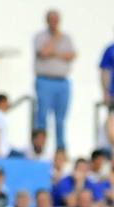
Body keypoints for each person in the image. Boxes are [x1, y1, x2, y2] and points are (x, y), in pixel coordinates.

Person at [33, 9, 76, 152]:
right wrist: (56, 40)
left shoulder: (67, 37)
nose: (54, 23)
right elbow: (43, 53)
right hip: (45, 80)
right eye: (51, 20)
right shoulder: (40, 36)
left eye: (56, 20)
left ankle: (60, 148)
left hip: (62, 81)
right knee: (42, 116)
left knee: (60, 119)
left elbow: (71, 55)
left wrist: (54, 52)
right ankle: (40, 147)